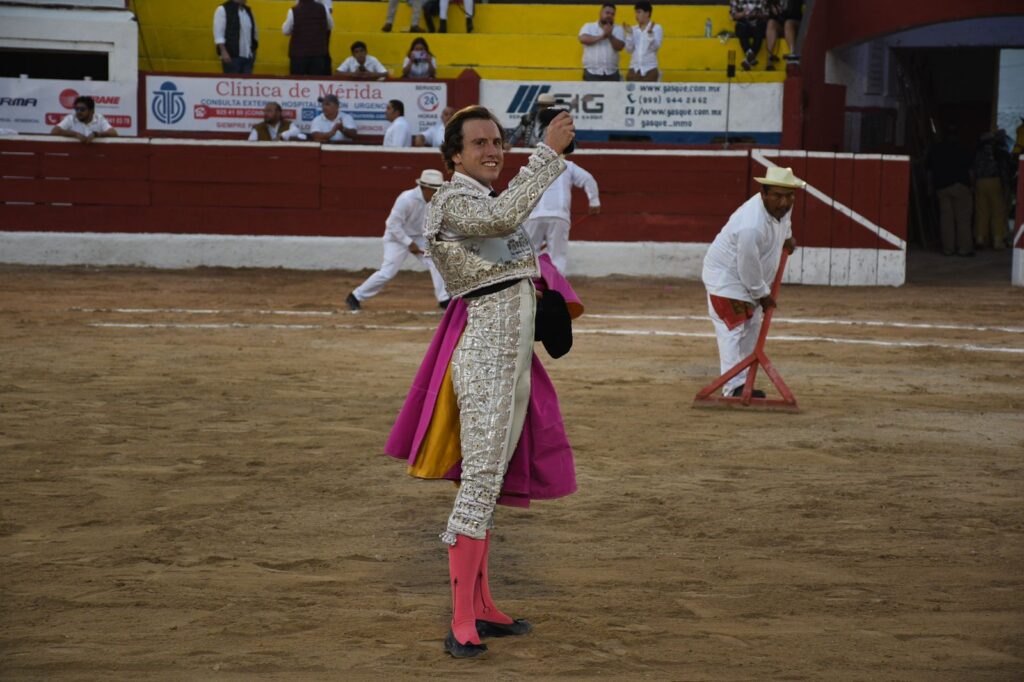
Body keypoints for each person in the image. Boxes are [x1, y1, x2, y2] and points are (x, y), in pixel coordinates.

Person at [420, 105, 575, 658]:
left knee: (487, 484)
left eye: (497, 141)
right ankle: (461, 619)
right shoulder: (454, 202)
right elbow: (505, 216)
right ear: (455, 156)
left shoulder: (480, 202)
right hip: (486, 363)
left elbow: (509, 259)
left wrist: (541, 300)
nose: (492, 150)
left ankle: (482, 604)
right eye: (479, 143)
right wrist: (548, 153)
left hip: (510, 362)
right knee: (479, 485)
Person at [701, 166, 801, 398]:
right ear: (763, 193)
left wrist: (786, 237)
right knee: (733, 331)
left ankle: (743, 383)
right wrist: (762, 294)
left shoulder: (781, 209)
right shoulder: (751, 226)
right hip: (727, 281)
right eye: (777, 195)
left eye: (789, 196)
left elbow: (784, 222)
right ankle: (732, 386)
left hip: (750, 281)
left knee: (751, 330)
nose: (784, 202)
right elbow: (747, 264)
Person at [346, 169, 449, 311]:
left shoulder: (435, 200)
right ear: (424, 188)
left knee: (437, 260)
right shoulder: (406, 199)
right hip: (396, 238)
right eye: (434, 190)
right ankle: (355, 296)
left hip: (419, 237)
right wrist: (408, 243)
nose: (437, 193)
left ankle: (444, 300)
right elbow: (392, 225)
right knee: (388, 272)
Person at [523, 161, 600, 273]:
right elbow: (588, 179)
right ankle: (555, 287)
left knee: (529, 254)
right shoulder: (567, 165)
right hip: (558, 215)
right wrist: (594, 201)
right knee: (557, 257)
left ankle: (529, 285)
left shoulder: (533, 165)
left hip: (534, 214)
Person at [926, 126, 974, 256]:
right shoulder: (963, 149)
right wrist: (972, 186)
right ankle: (964, 249)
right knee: (963, 219)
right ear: (957, 136)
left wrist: (930, 187)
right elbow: (970, 171)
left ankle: (948, 249)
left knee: (946, 220)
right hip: (960, 186)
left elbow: (929, 171)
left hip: (942, 188)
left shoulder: (935, 149)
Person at [971, 130, 1012, 250]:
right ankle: (997, 240)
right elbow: (1005, 170)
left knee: (981, 211)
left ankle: (980, 238)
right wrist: (1007, 187)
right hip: (995, 182)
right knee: (998, 212)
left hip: (980, 182)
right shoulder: (998, 151)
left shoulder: (977, 152)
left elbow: (973, 169)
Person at [283, 0, 333, 76]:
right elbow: (330, 26)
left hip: (298, 56)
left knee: (297, 84)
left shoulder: (293, 11)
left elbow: (285, 31)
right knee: (316, 83)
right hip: (318, 54)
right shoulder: (324, 8)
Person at [579, 3, 625, 81]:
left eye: (612, 14)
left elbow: (620, 47)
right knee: (591, 93)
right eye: (607, 13)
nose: (609, 16)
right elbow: (582, 39)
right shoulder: (589, 26)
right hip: (591, 72)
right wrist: (602, 36)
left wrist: (610, 35)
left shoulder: (618, 29)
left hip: (612, 72)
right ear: (600, 13)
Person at [213, 0, 258, 74]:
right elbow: (218, 33)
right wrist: (223, 52)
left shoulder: (248, 11)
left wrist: (253, 51)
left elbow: (254, 31)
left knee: (246, 84)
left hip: (248, 56)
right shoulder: (222, 9)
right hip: (231, 57)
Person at [51, 96, 119, 143]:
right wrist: (75, 134)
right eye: (77, 109)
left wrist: (96, 134)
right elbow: (54, 131)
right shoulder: (71, 118)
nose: (78, 112)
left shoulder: (99, 118)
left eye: (82, 109)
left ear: (92, 111)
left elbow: (114, 133)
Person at [623, 1, 662, 82]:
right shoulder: (633, 29)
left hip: (650, 69)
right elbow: (628, 50)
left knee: (649, 94)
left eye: (639, 12)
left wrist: (650, 34)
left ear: (647, 13)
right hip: (634, 69)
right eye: (636, 12)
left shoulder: (656, 28)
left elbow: (655, 48)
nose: (636, 15)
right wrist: (630, 35)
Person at [730, 0, 769, 71]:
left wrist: (756, 14)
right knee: (740, 27)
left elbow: (766, 15)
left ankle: (747, 60)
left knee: (760, 27)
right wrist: (743, 14)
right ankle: (750, 57)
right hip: (743, 24)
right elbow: (733, 16)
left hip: (757, 24)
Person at [765, 0, 802, 68]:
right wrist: (773, 11)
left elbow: (793, 13)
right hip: (781, 23)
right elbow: (771, 16)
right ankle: (770, 58)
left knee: (788, 23)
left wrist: (780, 13)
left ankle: (793, 54)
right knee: (771, 23)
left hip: (794, 23)